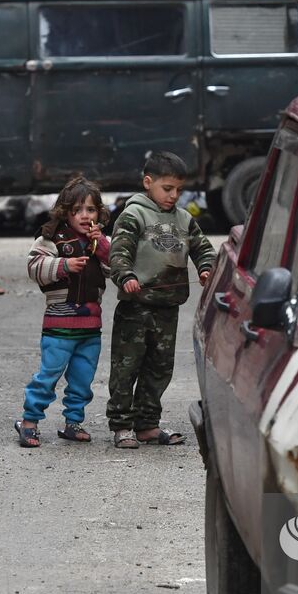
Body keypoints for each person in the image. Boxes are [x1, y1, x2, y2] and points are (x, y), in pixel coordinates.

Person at [106, 152, 215, 448]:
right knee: (127, 366)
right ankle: (121, 425)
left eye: (179, 190)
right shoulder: (133, 215)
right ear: (148, 182)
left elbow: (203, 249)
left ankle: (148, 424)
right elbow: (119, 253)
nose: (174, 196)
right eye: (167, 189)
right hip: (136, 306)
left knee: (160, 367)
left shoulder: (184, 219)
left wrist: (206, 269)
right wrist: (125, 276)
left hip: (168, 307)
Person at [15, 176, 111, 448]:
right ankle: (29, 422)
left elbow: (116, 268)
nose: (84, 215)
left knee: (83, 379)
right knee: (48, 376)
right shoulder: (51, 237)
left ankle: (73, 422)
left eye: (90, 210)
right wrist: (64, 265)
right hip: (59, 326)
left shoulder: (100, 241)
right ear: (65, 212)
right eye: (77, 210)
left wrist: (102, 245)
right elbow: (34, 268)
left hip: (90, 328)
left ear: (98, 213)